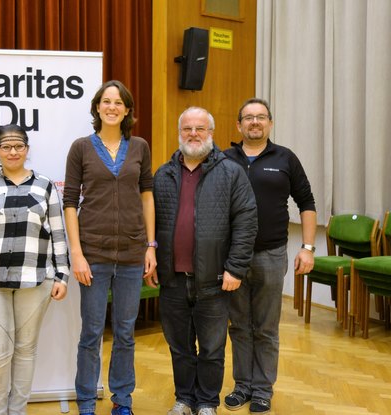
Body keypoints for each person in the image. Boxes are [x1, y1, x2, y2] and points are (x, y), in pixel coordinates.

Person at [153, 106, 258, 415]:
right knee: (180, 347)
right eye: (188, 129)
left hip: (214, 280)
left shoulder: (231, 173)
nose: (194, 134)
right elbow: (151, 224)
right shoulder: (163, 174)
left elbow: (246, 222)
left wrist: (235, 268)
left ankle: (208, 402)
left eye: (201, 128)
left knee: (212, 349)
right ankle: (184, 399)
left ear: (211, 133)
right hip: (172, 279)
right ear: (179, 133)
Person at [0, 124, 69, 415]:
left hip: (36, 280)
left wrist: (62, 274)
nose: (13, 151)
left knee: (25, 350)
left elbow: (59, 233)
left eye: (18, 146)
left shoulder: (45, 186)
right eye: (6, 146)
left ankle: (17, 411)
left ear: (27, 149)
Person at [63, 80, 156, 415]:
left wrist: (151, 245)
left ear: (127, 110)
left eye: (119, 102)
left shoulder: (140, 147)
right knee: (90, 333)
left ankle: (122, 400)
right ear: (97, 107)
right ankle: (86, 400)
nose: (112, 107)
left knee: (126, 333)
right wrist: (77, 253)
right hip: (94, 255)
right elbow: (70, 202)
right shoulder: (81, 148)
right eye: (106, 101)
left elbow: (147, 195)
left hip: (132, 254)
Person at [224, 98, 316, 414]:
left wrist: (307, 248)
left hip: (271, 255)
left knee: (265, 327)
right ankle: (242, 386)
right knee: (238, 325)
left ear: (270, 123)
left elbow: (307, 202)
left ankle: (263, 390)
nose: (254, 122)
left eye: (260, 117)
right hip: (233, 259)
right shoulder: (224, 159)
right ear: (238, 125)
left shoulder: (286, 158)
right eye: (248, 117)